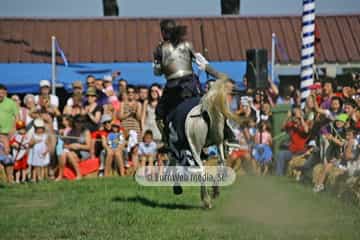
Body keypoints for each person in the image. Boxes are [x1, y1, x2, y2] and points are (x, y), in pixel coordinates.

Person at [152, 19, 231, 144]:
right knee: (208, 105)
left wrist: (161, 61)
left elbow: (157, 72)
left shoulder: (159, 49)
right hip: (191, 85)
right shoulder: (187, 44)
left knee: (159, 114)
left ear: (163, 32)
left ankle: (167, 141)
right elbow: (203, 64)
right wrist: (220, 75)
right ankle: (228, 133)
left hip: (173, 89)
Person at [0, 84, 19, 183]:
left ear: (6, 93)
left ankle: (10, 179)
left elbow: (17, 119)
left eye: (2, 93)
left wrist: (14, 131)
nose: (0, 95)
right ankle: (3, 180)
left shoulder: (11, 103)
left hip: (9, 135)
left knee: (8, 158)